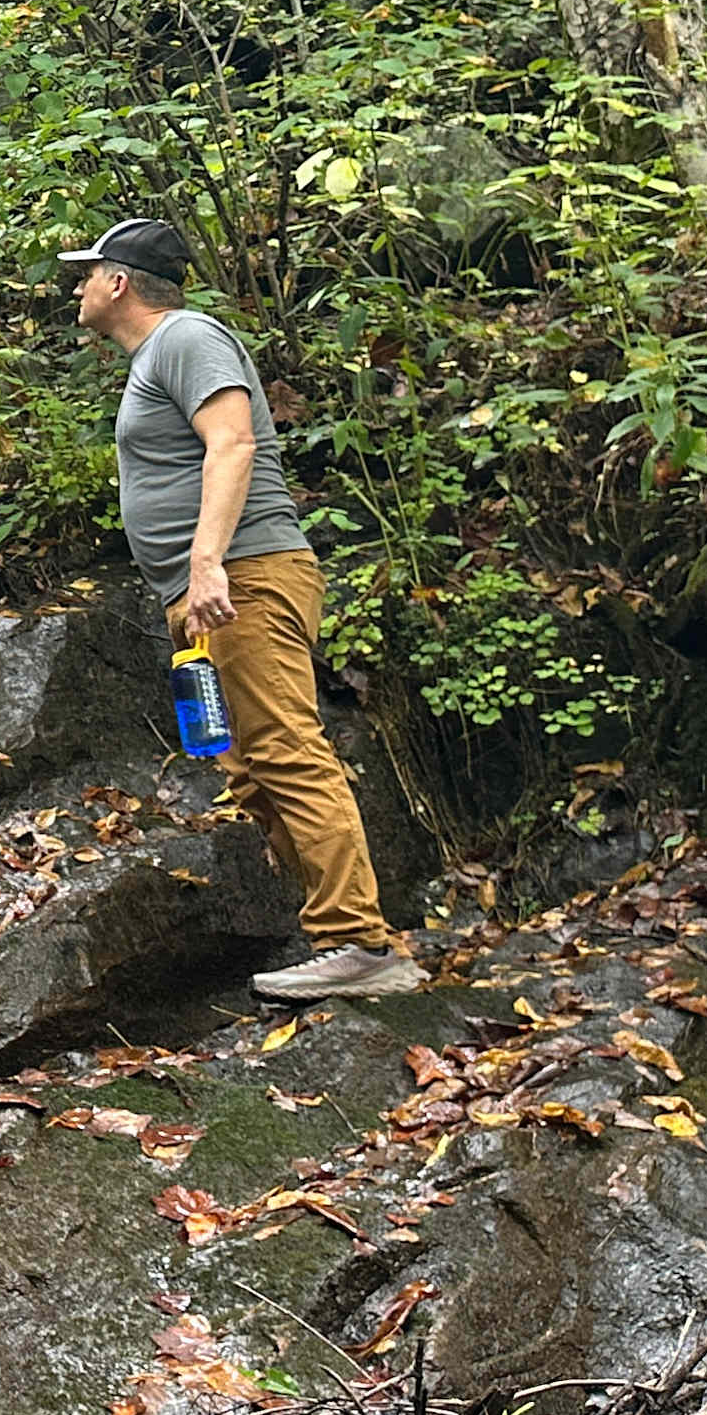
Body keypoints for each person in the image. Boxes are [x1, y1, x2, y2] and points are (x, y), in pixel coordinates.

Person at [64, 216, 426, 1001]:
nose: (78, 286)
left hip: (243, 579)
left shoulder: (187, 337)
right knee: (249, 770)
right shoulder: (157, 355)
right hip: (204, 598)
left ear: (120, 282)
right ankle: (339, 934)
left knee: (286, 751)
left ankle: (360, 946)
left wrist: (206, 565)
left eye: (88, 272)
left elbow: (232, 444)